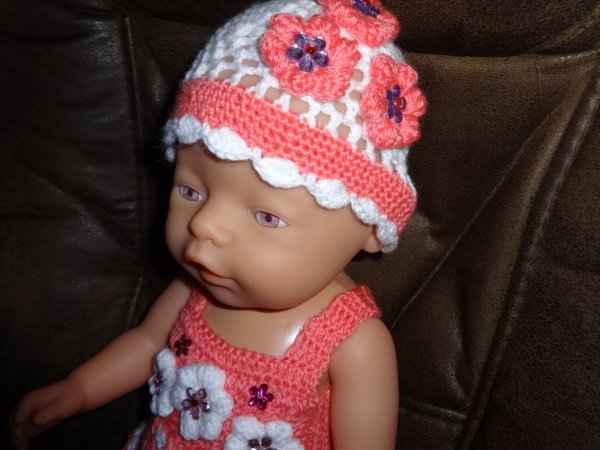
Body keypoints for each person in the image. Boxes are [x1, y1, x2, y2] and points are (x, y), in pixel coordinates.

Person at [9, 0, 426, 448]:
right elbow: (148, 343)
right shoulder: (200, 283)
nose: (204, 227)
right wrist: (78, 390)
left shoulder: (354, 345)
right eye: (191, 191)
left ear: (370, 227)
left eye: (267, 216)